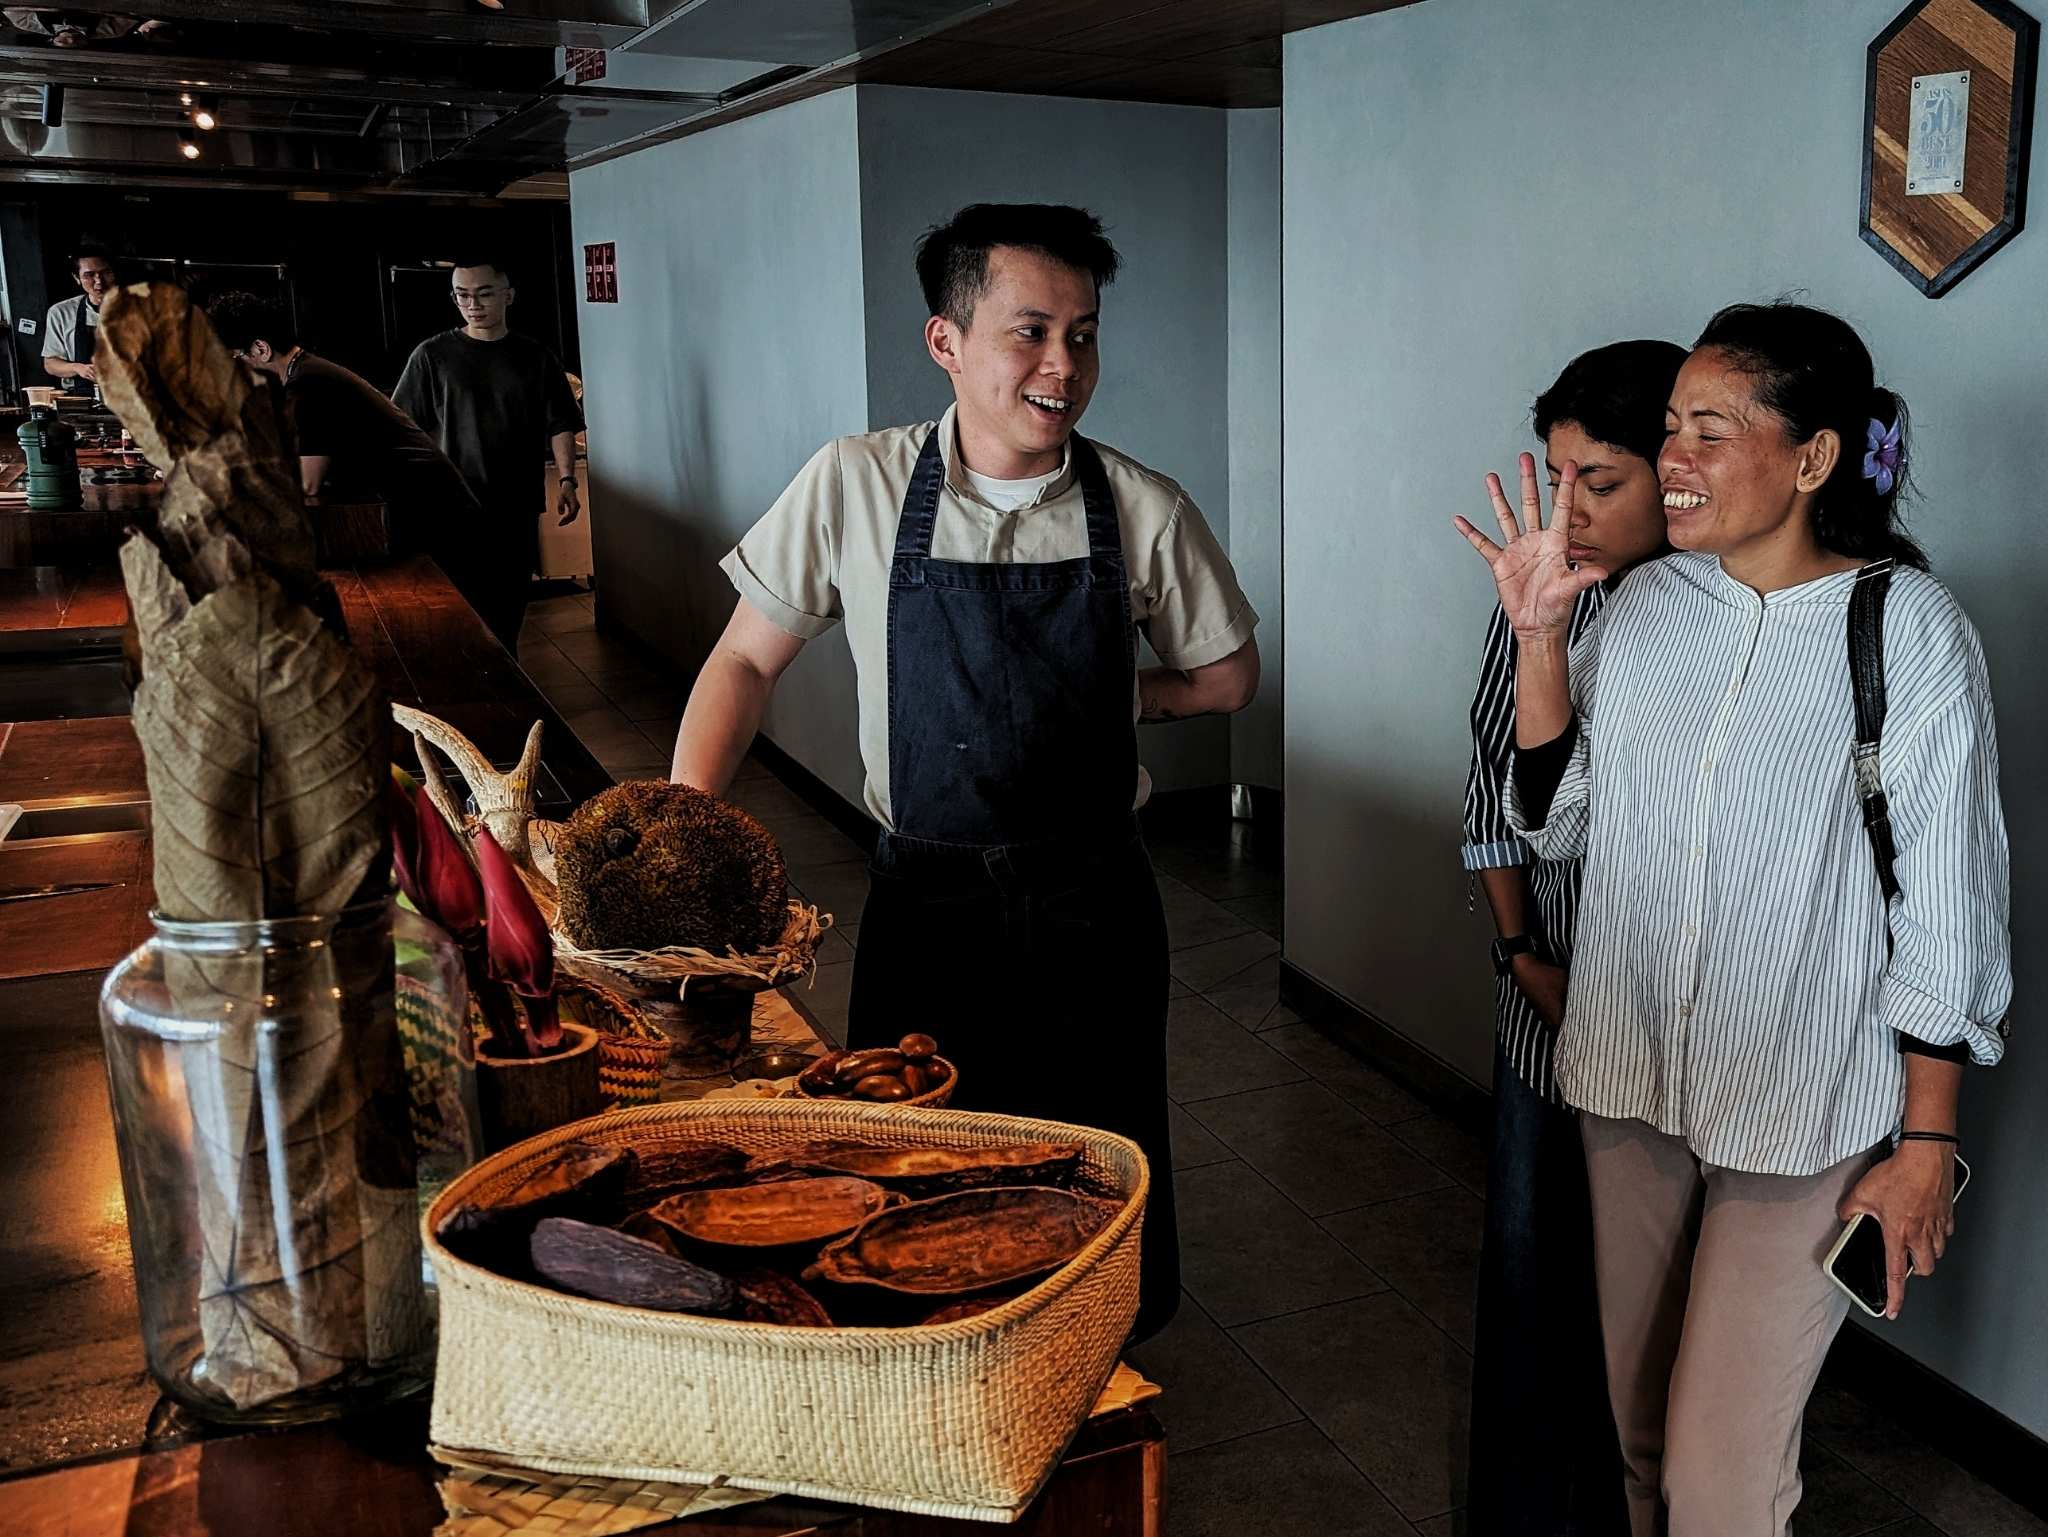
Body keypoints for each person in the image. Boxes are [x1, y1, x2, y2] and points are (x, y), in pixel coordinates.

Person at [1455, 301, 2011, 1537]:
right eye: (1670, 431)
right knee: (1640, 1435)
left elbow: (1952, 906)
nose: (1676, 463)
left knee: (1720, 1481)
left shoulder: (1906, 632)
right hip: (1628, 1082)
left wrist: (1923, 1143)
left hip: (1803, 1106)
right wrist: (1539, 639)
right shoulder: (1647, 610)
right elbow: (1560, 823)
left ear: (1811, 457)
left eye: (1709, 430)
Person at [669, 203, 1261, 1342]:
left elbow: (1225, 676)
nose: (1063, 366)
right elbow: (744, 656)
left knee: (1091, 1155)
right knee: (909, 1159)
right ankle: (930, 1373)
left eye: (1083, 334)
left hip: (1092, 901)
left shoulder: (1136, 505)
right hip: (925, 900)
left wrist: (1118, 697)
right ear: (945, 341)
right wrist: (684, 827)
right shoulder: (856, 483)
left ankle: (1087, 1378)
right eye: (1029, 331)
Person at [1460, 339, 1683, 1537]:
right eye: (1556, 477)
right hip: (1549, 1002)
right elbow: (1489, 807)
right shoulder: (1538, 594)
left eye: (1599, 480)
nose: (1569, 511)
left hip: (1684, 1022)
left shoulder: (1725, 616)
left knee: (1659, 1306)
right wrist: (1524, 961)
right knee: (1536, 1266)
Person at [392, 259, 583, 650]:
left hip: (515, 504)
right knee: (462, 608)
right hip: (453, 505)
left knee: (507, 609)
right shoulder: (433, 356)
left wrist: (567, 479)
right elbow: (404, 425)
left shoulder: (535, 357)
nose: (473, 304)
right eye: (463, 295)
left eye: (484, 293)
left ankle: (508, 684)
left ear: (508, 295)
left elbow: (561, 421)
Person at [207, 290, 481, 541]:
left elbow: (306, 483)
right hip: (419, 514)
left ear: (261, 349)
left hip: (442, 520)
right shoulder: (303, 373)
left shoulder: (307, 385)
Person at [42, 245, 117, 396]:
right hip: (80, 399)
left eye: (105, 273)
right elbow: (50, 364)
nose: (99, 282)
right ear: (77, 278)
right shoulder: (61, 313)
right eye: (89, 275)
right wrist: (78, 368)